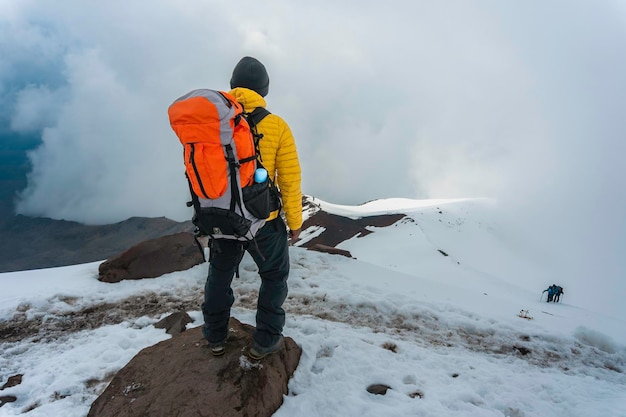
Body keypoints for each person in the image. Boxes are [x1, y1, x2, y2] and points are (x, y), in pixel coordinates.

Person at [201, 56, 303, 360]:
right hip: (263, 223)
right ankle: (266, 341)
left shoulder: (214, 122)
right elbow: (289, 180)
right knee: (273, 276)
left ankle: (215, 337)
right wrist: (295, 223)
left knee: (219, 276)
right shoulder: (277, 126)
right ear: (264, 90)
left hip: (222, 219)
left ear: (232, 87)